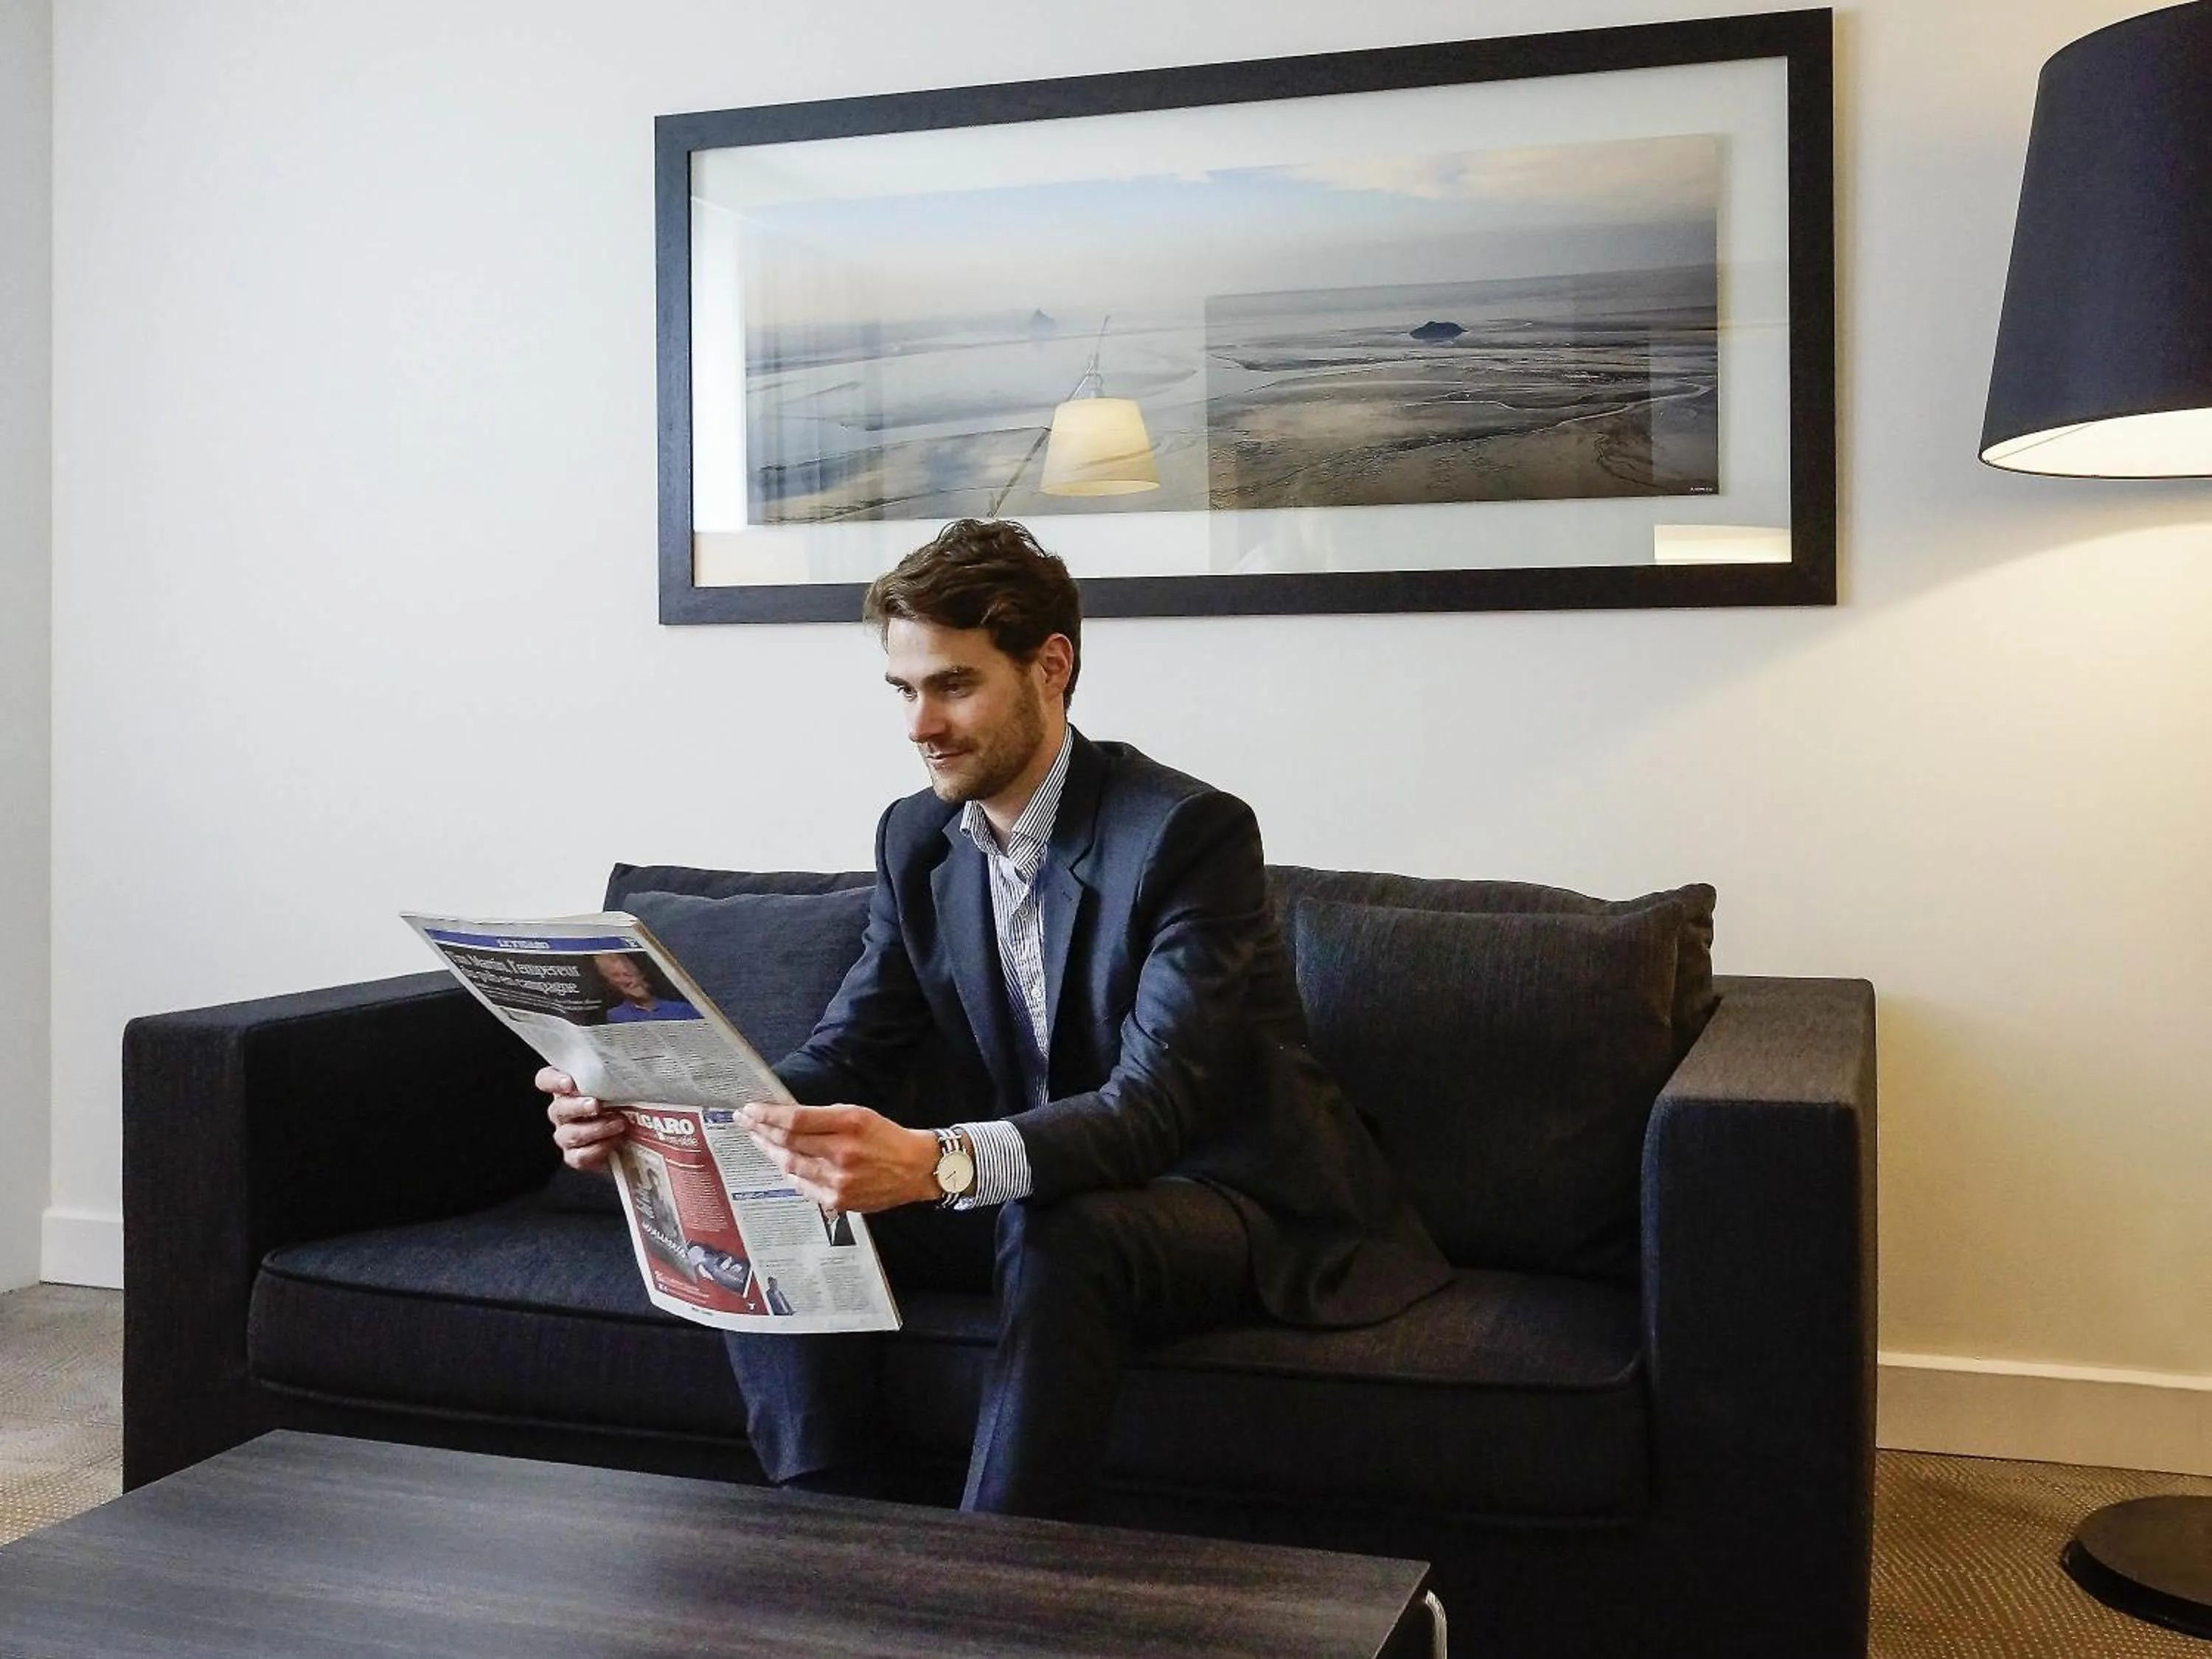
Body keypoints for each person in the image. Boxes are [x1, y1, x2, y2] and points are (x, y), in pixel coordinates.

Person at [543, 518, 1448, 1519]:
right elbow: (857, 1047)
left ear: (1050, 666)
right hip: (1032, 1189)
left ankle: (989, 1580)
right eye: (903, 689)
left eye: (953, 684)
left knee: (1065, 1231)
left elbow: (1156, 1105)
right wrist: (675, 1107)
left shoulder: (1188, 835)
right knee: (791, 1176)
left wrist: (939, 1161)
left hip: (1225, 1195)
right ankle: (828, 1533)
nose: (920, 723)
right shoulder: (916, 837)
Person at [594, 951, 701, 1023]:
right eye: (616, 975)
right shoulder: (615, 1015)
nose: (628, 981)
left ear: (641, 974)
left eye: (628, 973)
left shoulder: (682, 1009)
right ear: (610, 983)